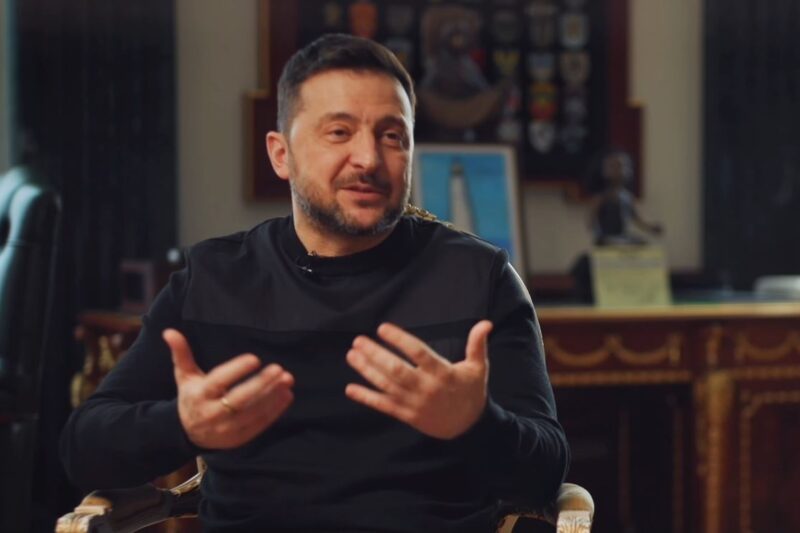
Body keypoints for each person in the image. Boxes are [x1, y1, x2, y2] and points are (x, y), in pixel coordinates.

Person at [60, 34, 569, 532]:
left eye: (392, 136)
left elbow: (546, 474)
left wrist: (475, 425)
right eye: (340, 132)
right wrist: (180, 426)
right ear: (281, 154)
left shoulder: (478, 278)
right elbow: (83, 448)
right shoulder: (215, 278)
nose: (369, 159)